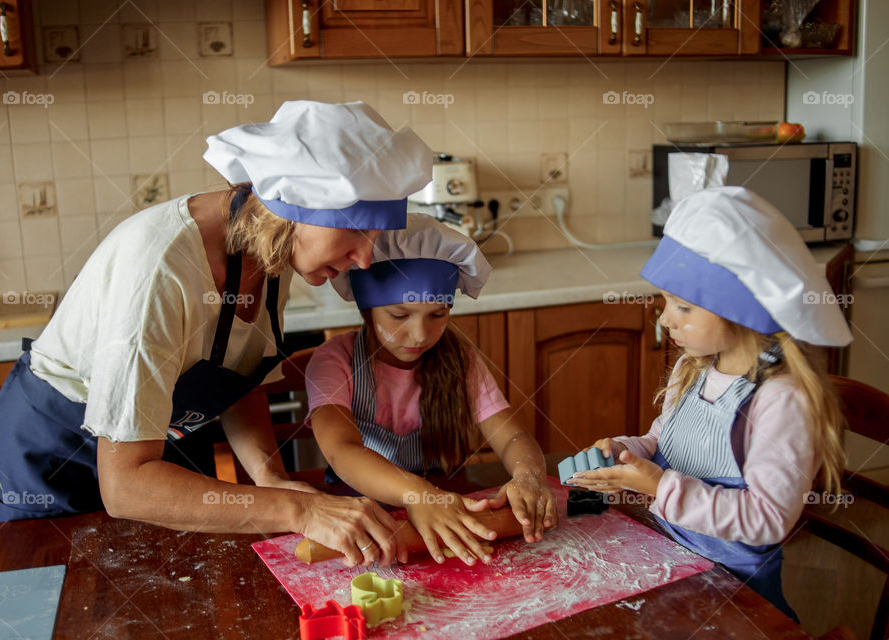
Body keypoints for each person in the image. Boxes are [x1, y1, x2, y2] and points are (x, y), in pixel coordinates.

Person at [0, 101, 433, 567]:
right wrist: (299, 508)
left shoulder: (273, 248)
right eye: (357, 232)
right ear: (294, 205)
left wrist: (270, 477)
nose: (364, 259)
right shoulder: (161, 268)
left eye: (375, 238)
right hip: (56, 465)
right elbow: (127, 487)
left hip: (161, 449)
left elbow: (237, 376)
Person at [569, 186, 852, 620]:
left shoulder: (781, 401)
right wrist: (629, 452)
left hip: (734, 594)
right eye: (665, 302)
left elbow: (767, 519)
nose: (664, 319)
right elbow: (666, 442)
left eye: (683, 307)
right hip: (670, 553)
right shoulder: (695, 367)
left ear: (739, 310)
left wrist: (658, 487)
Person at [305, 213, 557, 567]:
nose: (421, 335)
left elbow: (511, 436)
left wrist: (529, 475)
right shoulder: (336, 361)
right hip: (361, 519)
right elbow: (341, 451)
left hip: (447, 508)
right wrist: (415, 494)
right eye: (399, 315)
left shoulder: (461, 361)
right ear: (367, 308)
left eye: (437, 315)